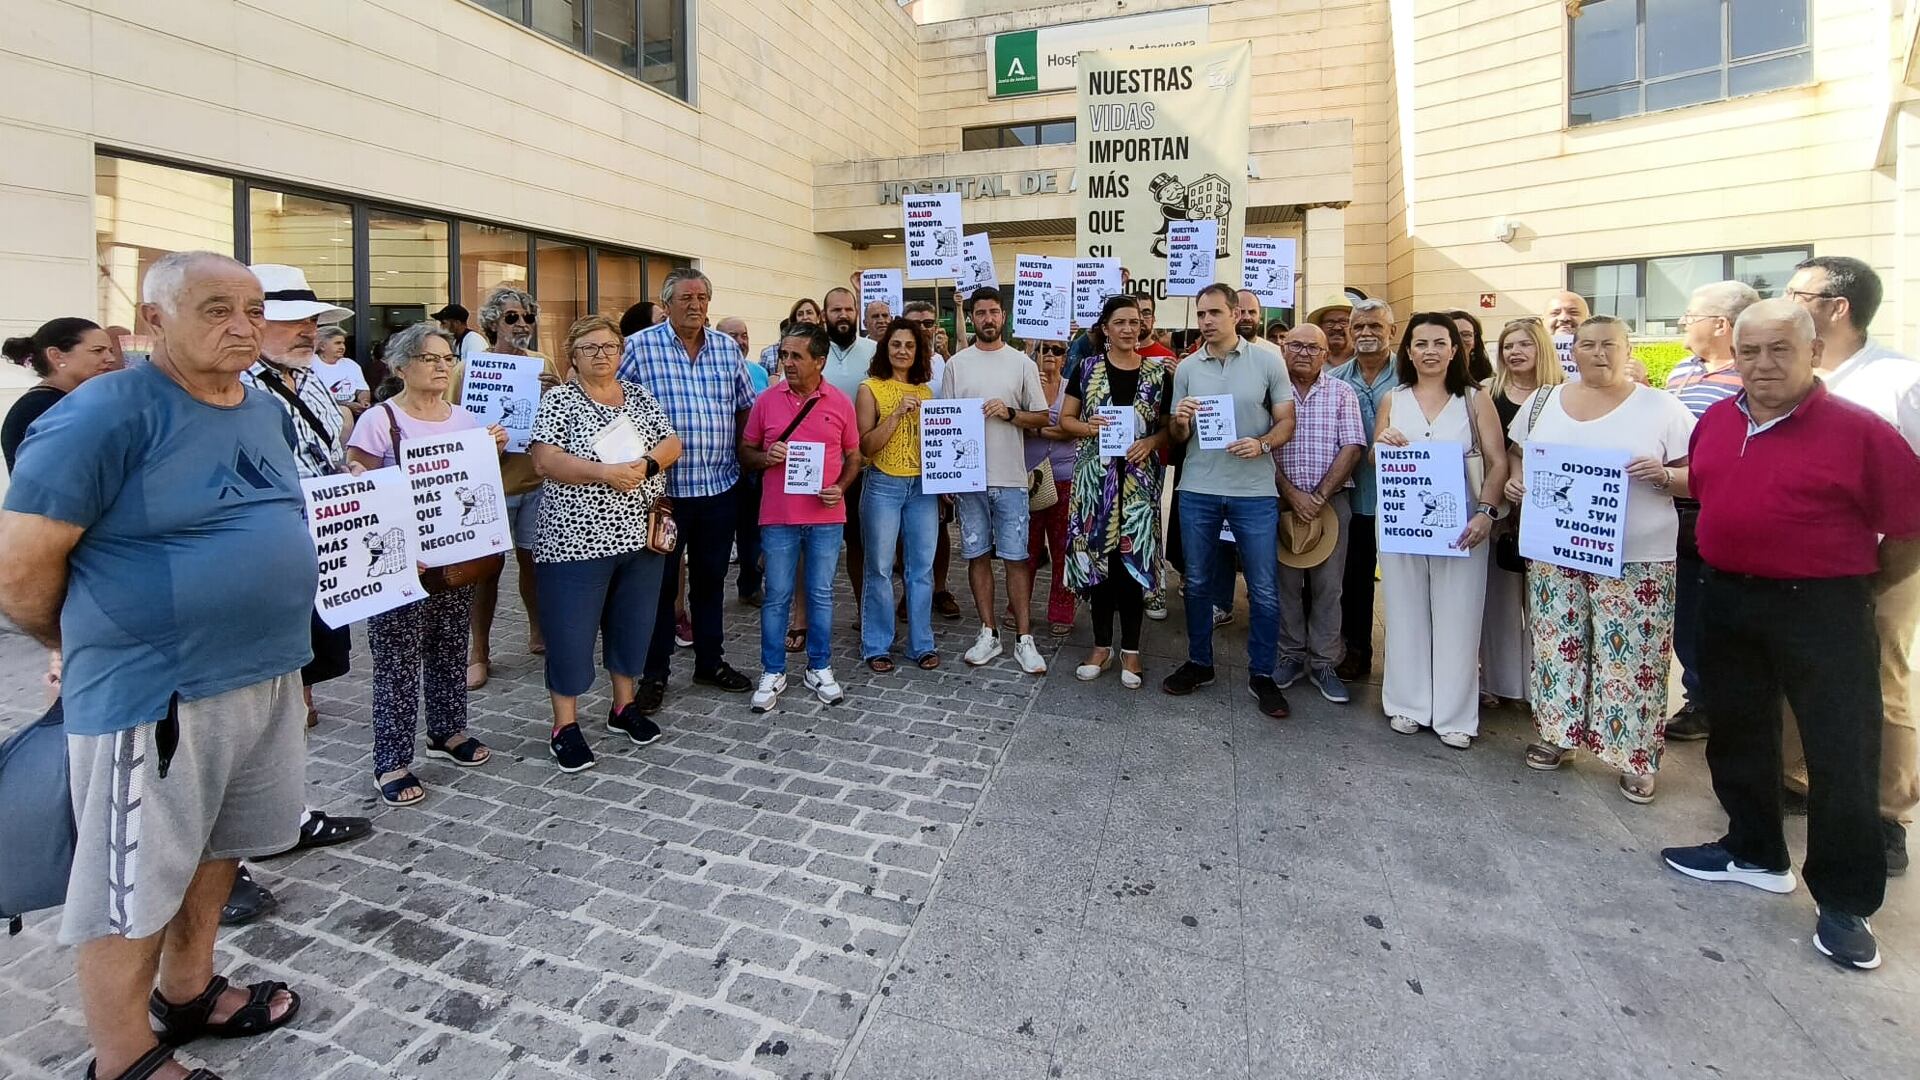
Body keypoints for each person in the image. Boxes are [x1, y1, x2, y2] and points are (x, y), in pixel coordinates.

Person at [0, 252, 310, 1080]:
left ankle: (190, 988)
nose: (242, 326)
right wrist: (78, 645)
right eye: (216, 309)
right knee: (130, 883)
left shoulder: (261, 405)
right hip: (156, 693)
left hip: (265, 674)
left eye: (253, 309)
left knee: (220, 848)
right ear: (153, 319)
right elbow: (21, 571)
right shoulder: (103, 414)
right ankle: (122, 1056)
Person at [1662, 298, 1920, 971]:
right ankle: (1753, 850)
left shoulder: (1859, 431)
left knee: (1841, 751)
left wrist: (1863, 587)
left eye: (1780, 349)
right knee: (1739, 732)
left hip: (1823, 607)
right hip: (1729, 596)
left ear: (1814, 353)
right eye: (1750, 351)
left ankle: (1846, 901)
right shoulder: (1718, 420)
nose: (1764, 364)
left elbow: (1910, 527)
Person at [1506, 316, 1694, 796]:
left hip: (1637, 555)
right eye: (1587, 344)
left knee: (1632, 655)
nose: (1598, 353)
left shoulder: (1662, 408)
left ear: (1628, 349)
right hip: (1556, 550)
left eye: (1609, 344)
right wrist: (1516, 480)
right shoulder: (1544, 401)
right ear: (1573, 351)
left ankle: (1635, 755)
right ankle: (1557, 734)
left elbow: (1700, 475)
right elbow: (1518, 454)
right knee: (1556, 644)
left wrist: (1666, 476)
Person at [1786, 255, 1920, 874]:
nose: (1786, 302)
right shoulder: (1790, 375)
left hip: (1887, 554)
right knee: (1794, 665)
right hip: (1801, 554)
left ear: (1837, 308)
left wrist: (1893, 556)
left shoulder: (1898, 382)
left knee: (1881, 674)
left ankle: (1887, 812)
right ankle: (1796, 778)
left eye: (1798, 294)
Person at [346, 323, 504, 805]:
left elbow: (476, 488)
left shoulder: (466, 419)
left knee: (450, 646)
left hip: (453, 557)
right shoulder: (380, 420)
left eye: (447, 358)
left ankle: (448, 730)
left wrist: (492, 451)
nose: (441, 367)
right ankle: (391, 761)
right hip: (401, 561)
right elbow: (359, 485)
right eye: (429, 358)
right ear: (400, 367)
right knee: (397, 660)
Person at [528, 315, 682, 772]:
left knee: (632, 625)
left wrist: (648, 465)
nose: (601, 355)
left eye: (609, 347)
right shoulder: (559, 400)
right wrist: (605, 473)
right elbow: (545, 459)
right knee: (570, 634)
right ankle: (565, 725)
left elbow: (671, 441)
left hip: (640, 538)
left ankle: (623, 706)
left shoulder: (638, 396)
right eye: (590, 348)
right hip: (575, 542)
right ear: (573, 356)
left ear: (621, 352)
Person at [620, 268, 758, 710]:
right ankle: (654, 673)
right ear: (667, 304)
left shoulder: (726, 349)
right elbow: (614, 404)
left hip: (718, 487)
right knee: (660, 586)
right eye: (686, 298)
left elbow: (744, 408)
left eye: (702, 298)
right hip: (663, 494)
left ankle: (709, 662)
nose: (695, 305)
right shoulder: (640, 347)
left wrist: (744, 457)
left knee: (711, 580)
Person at [1161, 282, 1297, 715]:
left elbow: (1286, 420)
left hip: (1254, 492)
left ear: (1236, 314)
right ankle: (1200, 662)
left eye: (1214, 313)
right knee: (1198, 583)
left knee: (1263, 587)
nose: (1206, 321)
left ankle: (1262, 673)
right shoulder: (1187, 368)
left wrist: (1262, 444)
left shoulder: (1268, 361)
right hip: (1199, 488)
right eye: (1201, 314)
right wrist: (1181, 421)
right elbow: (1178, 436)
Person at [1374, 312, 1508, 748]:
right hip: (1403, 524)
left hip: (1463, 525)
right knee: (1404, 611)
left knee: (1459, 616)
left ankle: (1454, 715)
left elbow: (1497, 461)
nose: (1429, 351)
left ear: (1455, 350)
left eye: (1439, 343)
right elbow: (1375, 456)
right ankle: (1407, 703)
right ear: (1408, 351)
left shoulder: (1474, 399)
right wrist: (1383, 444)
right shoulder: (1393, 398)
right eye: (1421, 343)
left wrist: (1486, 513)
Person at [742, 324, 863, 711]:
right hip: (778, 516)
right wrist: (765, 458)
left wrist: (841, 487)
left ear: (819, 361)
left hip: (826, 516)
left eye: (797, 356)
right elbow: (745, 451)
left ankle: (820, 666)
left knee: (821, 594)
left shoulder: (840, 402)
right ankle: (772, 670)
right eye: (784, 354)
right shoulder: (766, 400)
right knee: (777, 595)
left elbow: (854, 456)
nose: (788, 362)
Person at [1054, 295, 1170, 688]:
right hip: (1095, 483)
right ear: (1105, 328)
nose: (1128, 328)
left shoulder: (1157, 374)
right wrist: (1090, 427)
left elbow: (1168, 427)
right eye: (1119, 322)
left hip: (1138, 484)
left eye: (1134, 322)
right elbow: (1066, 419)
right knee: (1098, 564)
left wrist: (1151, 442)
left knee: (1131, 565)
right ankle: (1101, 646)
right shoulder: (1086, 368)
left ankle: (1131, 650)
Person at [1662, 280, 1760, 742]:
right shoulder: (1682, 371)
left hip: (1722, 514)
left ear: (1720, 324)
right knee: (1687, 613)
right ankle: (1700, 700)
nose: (1684, 323)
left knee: (1722, 615)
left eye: (1691, 316)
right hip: (1675, 511)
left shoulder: (1751, 378)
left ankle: (1725, 707)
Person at [941, 287, 1051, 674]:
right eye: (980, 313)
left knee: (1017, 558)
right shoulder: (957, 364)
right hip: (969, 479)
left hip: (1011, 477)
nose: (987, 319)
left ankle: (1024, 637)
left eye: (993, 312)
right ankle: (988, 631)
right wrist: (948, 476)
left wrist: (1010, 413)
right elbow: (946, 422)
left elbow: (1041, 417)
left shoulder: (1021, 363)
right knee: (977, 556)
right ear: (971, 317)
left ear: (1003, 316)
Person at [461, 285, 559, 690]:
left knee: (534, 563)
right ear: (491, 323)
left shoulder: (542, 364)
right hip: (489, 485)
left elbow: (560, 420)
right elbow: (452, 422)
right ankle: (479, 651)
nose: (521, 324)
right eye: (511, 317)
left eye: (528, 317)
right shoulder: (468, 369)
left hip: (535, 480)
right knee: (486, 571)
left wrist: (554, 394)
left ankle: (538, 629)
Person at [1271, 322, 1366, 703]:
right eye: (1296, 345)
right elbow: (1263, 445)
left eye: (1313, 348)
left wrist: (1319, 496)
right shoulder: (1272, 393)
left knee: (1329, 587)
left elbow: (1353, 446)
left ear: (1325, 355)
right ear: (1283, 349)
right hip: (1281, 501)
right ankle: (1290, 655)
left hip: (1331, 502)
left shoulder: (1343, 392)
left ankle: (1325, 661)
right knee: (1286, 585)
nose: (1304, 353)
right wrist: (1292, 494)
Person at [1480, 317, 1565, 707]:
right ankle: (1500, 683)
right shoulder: (1486, 392)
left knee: (1544, 604)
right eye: (1508, 346)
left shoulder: (1565, 394)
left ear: (1541, 348)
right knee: (1498, 601)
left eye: (1524, 344)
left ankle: (1538, 688)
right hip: (1498, 512)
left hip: (1549, 513)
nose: (1515, 352)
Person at [856, 318, 940, 671]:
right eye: (896, 344)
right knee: (879, 566)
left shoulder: (926, 393)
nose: (902, 351)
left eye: (909, 345)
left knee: (921, 568)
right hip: (883, 484)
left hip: (921, 487)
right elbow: (866, 446)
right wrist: (894, 416)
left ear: (918, 352)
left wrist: (944, 480)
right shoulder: (869, 388)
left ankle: (921, 643)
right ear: (885, 348)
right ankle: (876, 644)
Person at [1327, 299, 1397, 681]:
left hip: (1402, 501)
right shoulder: (1336, 380)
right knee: (1354, 581)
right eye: (1359, 327)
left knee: (1404, 586)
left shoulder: (1411, 377)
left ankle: (1407, 664)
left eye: (1375, 326)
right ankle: (1356, 651)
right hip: (1353, 498)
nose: (1366, 333)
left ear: (1392, 331)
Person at [2, 317, 119, 471]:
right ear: (56, 356)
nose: (111, 359)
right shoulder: (41, 408)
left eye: (111, 351)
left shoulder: (68, 401)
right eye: (98, 350)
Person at [1025, 338, 1079, 638]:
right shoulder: (1025, 386)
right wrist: (1053, 429)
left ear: (1064, 357)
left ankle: (1062, 610)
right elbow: (1017, 422)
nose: (1050, 355)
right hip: (1029, 476)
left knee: (1062, 548)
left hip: (1063, 475)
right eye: (1044, 349)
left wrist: (1038, 429)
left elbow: (1073, 429)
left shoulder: (1072, 388)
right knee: (1027, 549)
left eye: (1057, 350)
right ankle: (1019, 607)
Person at [310, 325, 369, 416]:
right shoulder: (310, 364)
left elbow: (362, 389)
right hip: (321, 413)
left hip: (352, 413)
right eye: (337, 343)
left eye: (343, 343)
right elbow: (313, 397)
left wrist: (364, 401)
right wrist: (346, 405)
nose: (342, 347)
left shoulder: (351, 364)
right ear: (322, 346)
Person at [762, 297, 821, 376]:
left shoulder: (827, 344)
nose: (805, 317)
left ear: (818, 318)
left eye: (809, 313)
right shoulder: (787, 348)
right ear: (795, 320)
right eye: (800, 314)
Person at [1545, 290, 1591, 376]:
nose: (1563, 318)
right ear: (1543, 320)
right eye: (1555, 313)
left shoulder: (1603, 356)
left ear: (1588, 320)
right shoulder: (1529, 356)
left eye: (1573, 312)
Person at [1307, 295, 1354, 367]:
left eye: (1343, 322)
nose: (1337, 328)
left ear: (1353, 327)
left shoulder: (1364, 360)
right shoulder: (1310, 361)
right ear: (1320, 328)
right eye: (1330, 323)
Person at [1449, 309, 1493, 384]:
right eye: (1453, 334)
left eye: (1466, 335)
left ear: (1475, 341)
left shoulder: (1489, 381)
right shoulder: (1431, 376)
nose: (1459, 340)